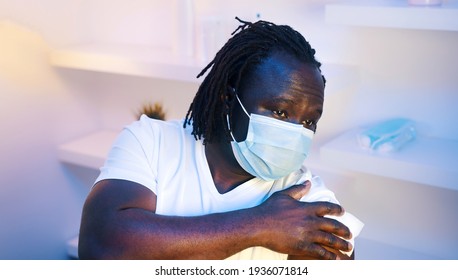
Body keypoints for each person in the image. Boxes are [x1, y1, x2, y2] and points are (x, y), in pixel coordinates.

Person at [78, 18, 360, 260]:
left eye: (309, 121)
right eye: (281, 112)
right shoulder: (151, 141)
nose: (296, 131)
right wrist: (260, 226)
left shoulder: (303, 194)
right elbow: (100, 244)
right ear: (228, 100)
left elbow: (338, 258)